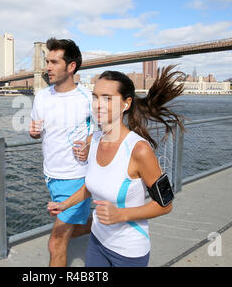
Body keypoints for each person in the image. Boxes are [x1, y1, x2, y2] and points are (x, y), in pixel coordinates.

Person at [48, 65, 185, 267]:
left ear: (126, 104)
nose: (98, 105)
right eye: (95, 97)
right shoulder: (93, 139)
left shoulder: (139, 150)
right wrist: (65, 204)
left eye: (107, 98)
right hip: (97, 242)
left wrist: (121, 214)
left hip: (128, 252)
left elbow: (166, 205)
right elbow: (92, 185)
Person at [29, 38, 93, 267]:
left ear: (71, 66)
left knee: (56, 242)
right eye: (47, 61)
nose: (47, 67)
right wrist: (34, 133)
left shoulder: (88, 99)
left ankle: (96, 224)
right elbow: (36, 132)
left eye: (54, 62)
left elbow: (105, 132)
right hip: (51, 175)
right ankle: (99, 224)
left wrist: (88, 143)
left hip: (77, 177)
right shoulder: (42, 97)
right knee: (74, 228)